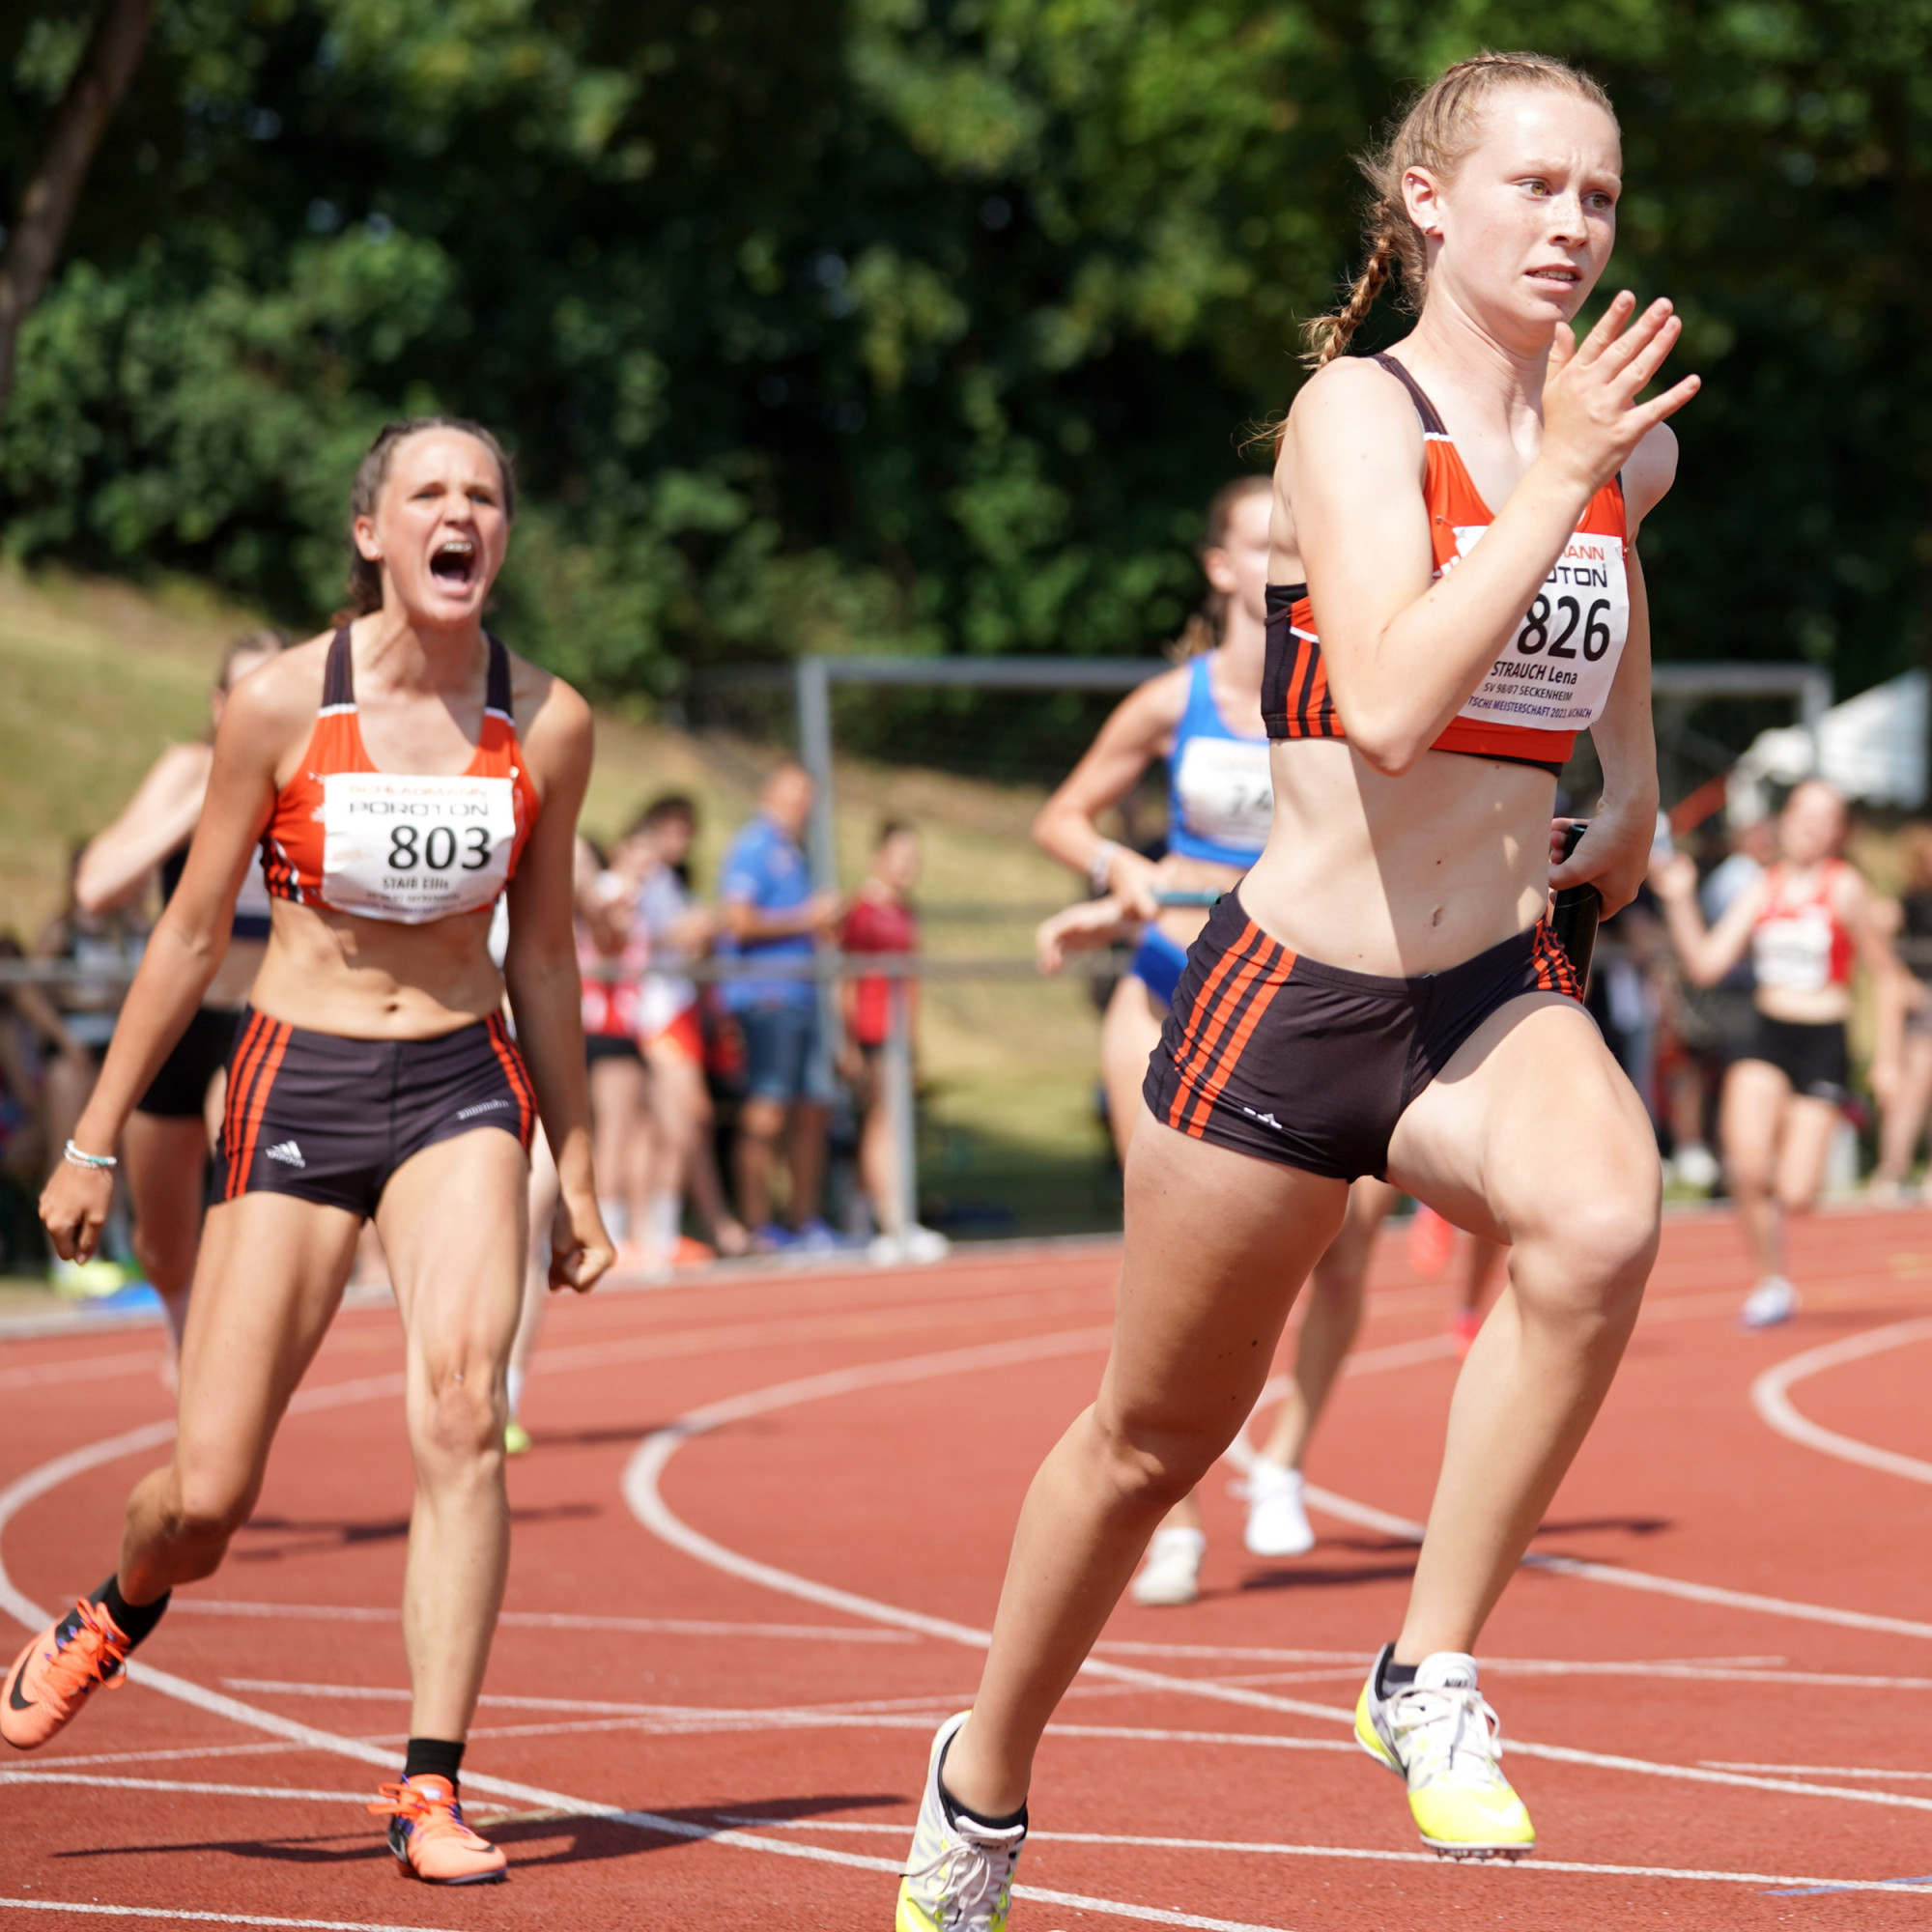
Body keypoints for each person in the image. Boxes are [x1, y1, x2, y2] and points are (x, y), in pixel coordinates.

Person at [897, 54, 1695, 1920]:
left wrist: (1636, 775)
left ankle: (1425, 1669)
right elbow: (1402, 703)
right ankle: (983, 1777)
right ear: (1429, 200)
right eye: (1534, 186)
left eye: (1598, 193)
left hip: (1486, 991)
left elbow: (1618, 564)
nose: (1572, 223)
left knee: (1603, 1216)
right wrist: (1566, 468)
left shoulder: (1615, 436)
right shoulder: (1355, 413)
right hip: (1294, 998)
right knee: (1148, 1446)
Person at [17, 417, 613, 1889]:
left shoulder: (550, 722)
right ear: (374, 532)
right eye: (430, 493)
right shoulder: (286, 703)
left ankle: (428, 1784)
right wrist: (93, 1137)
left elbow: (543, 958)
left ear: (501, 537)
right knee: (209, 1497)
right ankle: (114, 1605)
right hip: (299, 1075)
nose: (460, 514)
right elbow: (183, 929)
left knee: (466, 1412)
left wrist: (578, 1165)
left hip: (464, 1087)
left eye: (484, 495)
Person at [1032, 476, 1397, 1604]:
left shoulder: (1351, 683)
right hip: (1164, 985)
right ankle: (1172, 1514)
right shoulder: (1169, 699)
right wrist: (1119, 874)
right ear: (1223, 567)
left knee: (1351, 1238)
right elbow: (1062, 813)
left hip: (1301, 989)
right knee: (1168, 1256)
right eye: (1264, 538)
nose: (1289, 550)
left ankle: (1281, 1460)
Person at [69, 630, 291, 1351]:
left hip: (264, 1016)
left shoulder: (316, 778)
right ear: (220, 703)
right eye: (246, 696)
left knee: (242, 1145)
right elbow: (97, 887)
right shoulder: (188, 769)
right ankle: (186, 1347)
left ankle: (234, 1357)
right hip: (176, 1023)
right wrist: (200, 808)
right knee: (165, 1252)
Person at [1652, 780, 1906, 1325]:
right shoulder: (1761, 887)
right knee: (1745, 1162)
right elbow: (1705, 964)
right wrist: (1677, 898)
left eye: (1824, 817)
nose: (1810, 825)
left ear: (1839, 832)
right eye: (1802, 813)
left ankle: (1840, 1111)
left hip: (1823, 1042)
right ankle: (1772, 1282)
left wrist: (1887, 1060)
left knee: (1797, 1192)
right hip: (1765, 1034)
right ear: (1785, 820)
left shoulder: (1845, 888)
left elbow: (1887, 978)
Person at [717, 762, 843, 1248]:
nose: (801, 808)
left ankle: (802, 1220)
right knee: (767, 1109)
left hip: (803, 995)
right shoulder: (753, 846)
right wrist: (805, 918)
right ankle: (756, 1224)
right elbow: (739, 920)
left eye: (807, 799)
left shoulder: (796, 852)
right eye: (793, 797)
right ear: (770, 794)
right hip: (767, 996)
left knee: (814, 1108)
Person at [625, 794, 748, 1264]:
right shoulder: (643, 877)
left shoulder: (670, 881)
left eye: (685, 832)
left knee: (664, 1126)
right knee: (680, 1118)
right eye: (670, 830)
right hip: (655, 1013)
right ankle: (651, 1230)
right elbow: (637, 936)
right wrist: (690, 930)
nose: (679, 840)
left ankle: (655, 1228)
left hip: (676, 1009)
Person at [840, 820, 948, 1264]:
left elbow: (913, 981)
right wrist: (846, 1041)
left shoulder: (907, 910)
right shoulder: (862, 912)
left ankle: (874, 1216)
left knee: (893, 1122)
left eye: (913, 860)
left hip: (899, 1030)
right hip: (872, 1028)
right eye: (899, 857)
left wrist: (915, 1042)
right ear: (879, 858)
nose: (907, 867)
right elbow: (844, 978)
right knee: (883, 1122)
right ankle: (889, 1221)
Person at [1871, 819, 1932, 1198]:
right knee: (1914, 1086)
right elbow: (1874, 924)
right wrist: (1899, 975)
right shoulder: (1909, 900)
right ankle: (1893, 1169)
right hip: (1923, 1000)